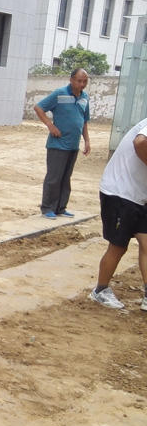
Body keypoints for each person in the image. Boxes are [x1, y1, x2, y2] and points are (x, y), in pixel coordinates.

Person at [88, 118, 147, 311]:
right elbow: (140, 142)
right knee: (118, 246)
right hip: (120, 192)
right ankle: (100, 290)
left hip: (140, 195)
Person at [33, 68, 91, 219]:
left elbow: (84, 121)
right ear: (71, 80)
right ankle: (47, 208)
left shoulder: (85, 97)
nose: (82, 84)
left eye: (85, 81)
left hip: (73, 145)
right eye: (79, 81)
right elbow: (39, 108)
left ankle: (60, 208)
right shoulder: (60, 94)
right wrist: (50, 125)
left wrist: (87, 140)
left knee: (66, 178)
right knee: (54, 178)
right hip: (58, 145)